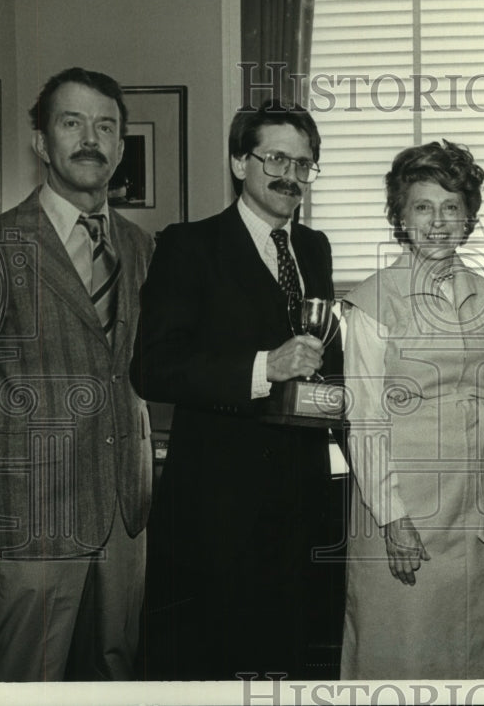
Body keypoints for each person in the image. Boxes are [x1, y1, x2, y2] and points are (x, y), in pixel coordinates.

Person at [130, 100, 343, 680]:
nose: (291, 176)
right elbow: (153, 367)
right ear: (237, 161)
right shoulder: (188, 245)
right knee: (218, 662)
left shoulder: (315, 248)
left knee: (291, 659)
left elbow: (323, 359)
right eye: (276, 158)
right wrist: (261, 367)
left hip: (302, 502)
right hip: (217, 508)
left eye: (304, 164)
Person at [339, 140, 484, 680]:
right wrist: (392, 520)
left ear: (468, 218)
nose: (438, 222)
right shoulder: (372, 300)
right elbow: (363, 418)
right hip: (405, 503)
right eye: (423, 207)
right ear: (400, 217)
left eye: (451, 207)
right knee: (408, 650)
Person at [0, 67, 155, 681]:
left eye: (105, 126)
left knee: (115, 673)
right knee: (27, 676)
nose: (90, 139)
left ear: (121, 145)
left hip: (123, 511)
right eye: (71, 122)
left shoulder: (141, 247)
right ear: (40, 142)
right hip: (33, 516)